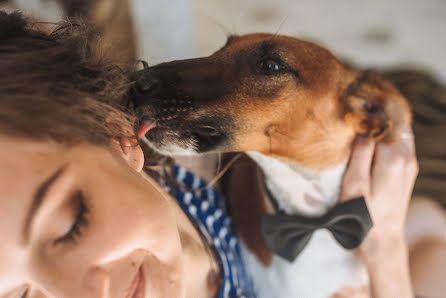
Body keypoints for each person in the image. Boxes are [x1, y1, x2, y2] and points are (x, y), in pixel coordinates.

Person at [0, 10, 445, 298]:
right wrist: (386, 259)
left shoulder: (197, 174)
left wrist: (384, 244)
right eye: (19, 294)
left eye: (75, 219)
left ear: (119, 136)